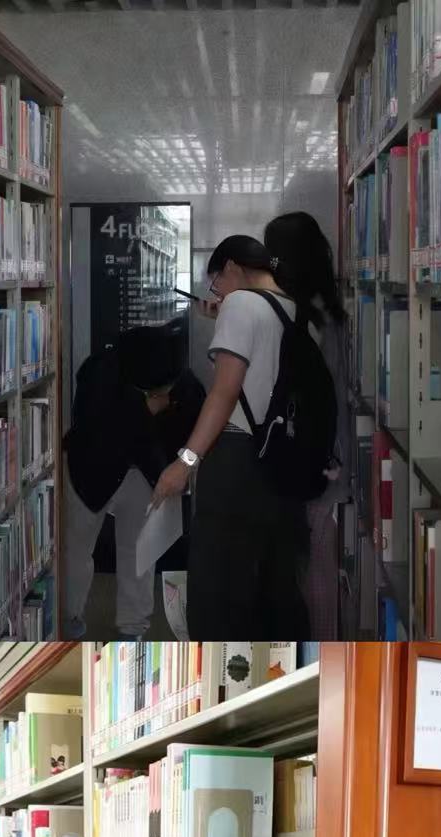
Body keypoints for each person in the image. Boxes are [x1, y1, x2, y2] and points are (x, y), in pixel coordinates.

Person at [149, 235, 309, 638]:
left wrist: (185, 462)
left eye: (216, 279)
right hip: (273, 458)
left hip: (234, 458)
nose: (215, 291)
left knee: (218, 582)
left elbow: (224, 393)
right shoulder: (290, 307)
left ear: (233, 267)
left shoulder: (241, 305)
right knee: (261, 577)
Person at [61, 323, 206, 639]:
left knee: (140, 552)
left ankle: (133, 626)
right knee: (76, 550)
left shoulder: (181, 381)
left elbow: (194, 430)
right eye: (155, 391)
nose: (163, 394)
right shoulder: (98, 373)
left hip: (145, 470)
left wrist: (180, 469)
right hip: (89, 470)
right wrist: (147, 410)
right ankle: (69, 618)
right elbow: (94, 431)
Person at [264, 211, 351, 640]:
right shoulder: (326, 309)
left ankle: (322, 649)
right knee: (316, 562)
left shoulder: (301, 319)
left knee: (311, 567)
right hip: (331, 453)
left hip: (317, 458)